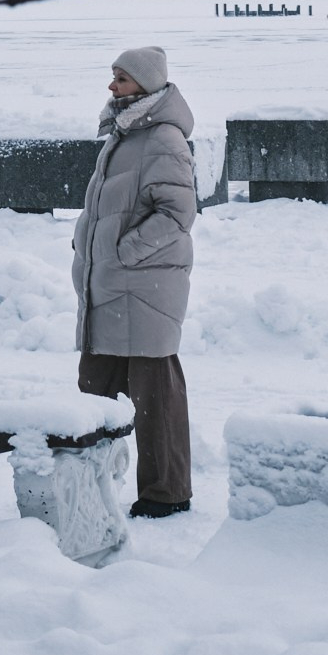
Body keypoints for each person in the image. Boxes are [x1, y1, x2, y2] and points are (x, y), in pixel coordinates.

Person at [72, 44, 196, 517]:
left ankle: (166, 495)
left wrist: (125, 252)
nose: (111, 85)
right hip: (107, 284)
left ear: (144, 86)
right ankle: (85, 486)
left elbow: (178, 213)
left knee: (155, 396)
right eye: (112, 76)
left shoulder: (162, 137)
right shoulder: (123, 135)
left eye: (121, 78)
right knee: (94, 389)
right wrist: (86, 245)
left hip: (145, 288)